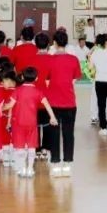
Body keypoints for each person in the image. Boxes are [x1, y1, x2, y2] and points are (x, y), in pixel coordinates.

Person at [5, 67, 57, 178]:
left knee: (20, 147)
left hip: (18, 122)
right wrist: (52, 117)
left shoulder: (17, 90)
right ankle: (30, 169)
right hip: (32, 123)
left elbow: (10, 105)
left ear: (22, 77)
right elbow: (47, 105)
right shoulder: (38, 92)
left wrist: (0, 109)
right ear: (36, 78)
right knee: (31, 146)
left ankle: (22, 168)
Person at [43, 30, 81, 176]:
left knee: (54, 132)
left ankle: (55, 162)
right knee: (68, 133)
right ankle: (67, 163)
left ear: (55, 43)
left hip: (53, 102)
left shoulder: (50, 59)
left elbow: (46, 80)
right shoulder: (73, 59)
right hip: (70, 102)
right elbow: (75, 78)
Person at [89, 34, 107, 135]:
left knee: (101, 105)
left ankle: (103, 127)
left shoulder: (95, 53)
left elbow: (90, 67)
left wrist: (90, 57)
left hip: (100, 81)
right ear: (106, 42)